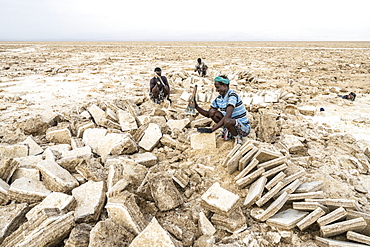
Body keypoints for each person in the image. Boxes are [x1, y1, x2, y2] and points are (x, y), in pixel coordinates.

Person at [195, 75, 251, 145]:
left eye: (218, 87)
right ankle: (229, 132)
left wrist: (212, 130)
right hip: (231, 125)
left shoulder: (232, 96)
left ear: (224, 85)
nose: (216, 90)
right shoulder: (219, 98)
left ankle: (238, 138)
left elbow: (228, 115)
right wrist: (196, 106)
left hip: (243, 128)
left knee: (227, 120)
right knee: (213, 113)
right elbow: (209, 114)